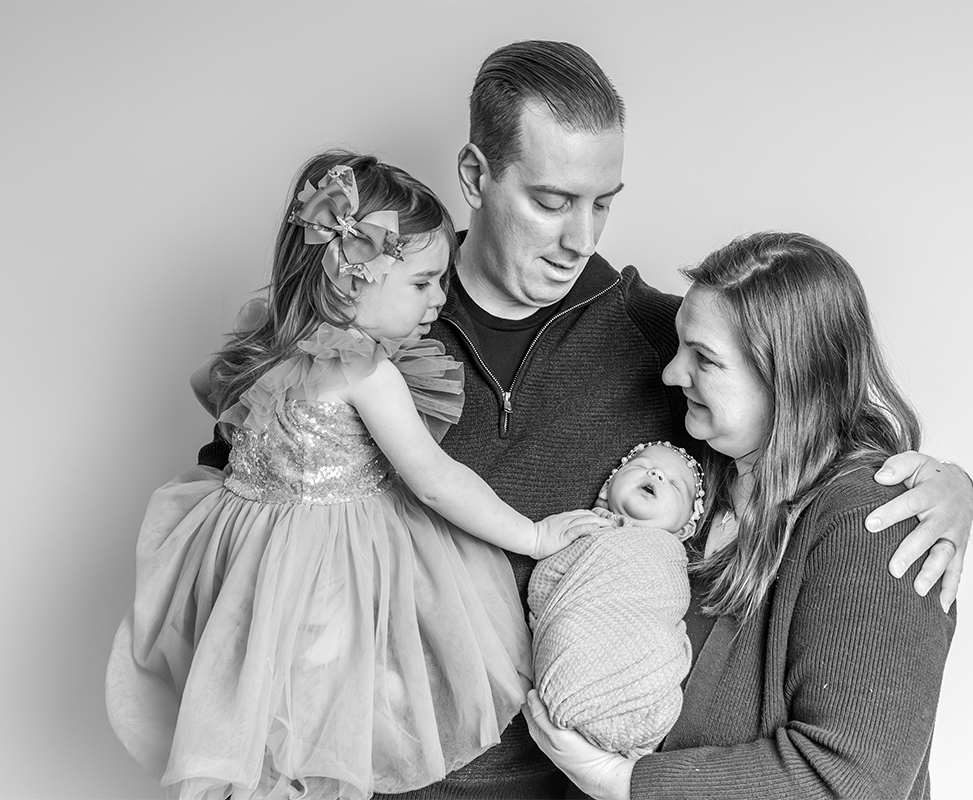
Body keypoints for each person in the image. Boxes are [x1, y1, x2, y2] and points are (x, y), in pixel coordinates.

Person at [198, 41, 973, 799]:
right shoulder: (369, 317)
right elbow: (249, 502)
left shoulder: (665, 341)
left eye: (603, 204)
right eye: (551, 201)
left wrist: (947, 488)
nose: (581, 238)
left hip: (578, 780)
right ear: (475, 175)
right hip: (362, 775)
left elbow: (807, 406)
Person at [106, 151, 608, 800]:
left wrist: (273, 459)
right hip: (331, 569)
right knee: (331, 713)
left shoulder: (264, 342)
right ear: (352, 278)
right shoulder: (368, 372)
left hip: (249, 560)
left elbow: (209, 388)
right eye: (423, 283)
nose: (440, 298)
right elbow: (434, 479)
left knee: (256, 701)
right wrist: (533, 538)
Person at [524, 232, 959, 800]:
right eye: (680, 346)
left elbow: (854, 780)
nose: (672, 374)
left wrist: (622, 782)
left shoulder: (879, 522)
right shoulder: (698, 480)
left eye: (704, 359)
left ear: (790, 380)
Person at [529, 441, 705, 759]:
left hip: (646, 660)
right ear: (608, 486)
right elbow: (546, 581)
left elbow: (668, 608)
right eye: (642, 466)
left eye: (676, 485)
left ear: (686, 527)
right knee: (569, 630)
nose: (656, 473)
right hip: (576, 647)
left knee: (661, 643)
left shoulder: (669, 555)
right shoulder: (584, 527)